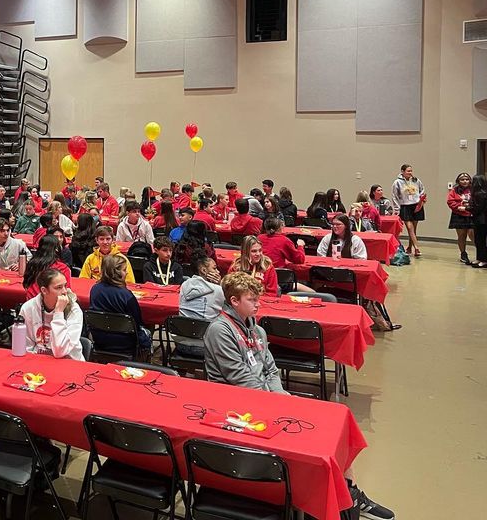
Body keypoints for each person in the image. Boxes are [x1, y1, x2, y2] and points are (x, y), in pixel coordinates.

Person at [204, 272, 395, 520]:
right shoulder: (220, 331)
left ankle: (350, 493)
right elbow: (240, 378)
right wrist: (279, 403)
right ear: (234, 301)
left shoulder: (257, 330)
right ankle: (335, 500)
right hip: (234, 406)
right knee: (312, 441)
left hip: (264, 398)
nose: (258, 304)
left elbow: (270, 369)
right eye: (252, 300)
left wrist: (281, 394)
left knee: (334, 429)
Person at [88, 254, 151, 357]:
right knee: (147, 331)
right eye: (124, 270)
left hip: (100, 340)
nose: (126, 273)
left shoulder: (94, 289)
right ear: (116, 273)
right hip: (125, 343)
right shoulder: (126, 296)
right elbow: (137, 323)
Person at [19, 268, 84, 360]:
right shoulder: (28, 308)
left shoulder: (74, 310)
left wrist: (58, 313)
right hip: (39, 361)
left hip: (69, 362)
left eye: (65, 286)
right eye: (59, 287)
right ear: (44, 290)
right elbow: (26, 347)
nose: (65, 291)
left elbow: (59, 352)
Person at [391, 164, 426, 257]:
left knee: (414, 229)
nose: (410, 173)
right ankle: (417, 248)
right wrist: (397, 208)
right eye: (408, 171)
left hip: (416, 206)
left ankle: (410, 248)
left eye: (411, 171)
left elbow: (422, 190)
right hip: (405, 206)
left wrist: (421, 199)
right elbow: (395, 196)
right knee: (410, 228)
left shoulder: (416, 180)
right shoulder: (397, 182)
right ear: (402, 171)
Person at [22, 235, 71, 300]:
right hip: (52, 305)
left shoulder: (32, 264)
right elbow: (66, 292)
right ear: (56, 249)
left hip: (31, 304)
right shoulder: (62, 268)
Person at [179, 253, 224, 321]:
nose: (218, 272)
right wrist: (220, 285)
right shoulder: (218, 289)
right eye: (214, 268)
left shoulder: (184, 285)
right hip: (207, 329)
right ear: (203, 270)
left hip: (183, 329)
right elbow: (229, 308)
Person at [447, 173, 474, 264]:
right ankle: (463, 254)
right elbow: (450, 201)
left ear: (470, 180)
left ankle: (481, 253)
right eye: (462, 180)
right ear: (458, 181)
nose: (465, 181)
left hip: (471, 215)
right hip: (459, 215)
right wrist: (458, 206)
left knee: (472, 234)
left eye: (466, 179)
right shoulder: (454, 190)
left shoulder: (473, 190)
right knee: (462, 235)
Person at [469, 174, 487, 268]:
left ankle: (483, 259)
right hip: (480, 220)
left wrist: (466, 207)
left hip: (481, 220)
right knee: (479, 240)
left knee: (481, 240)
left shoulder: (480, 194)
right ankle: (480, 258)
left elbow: (477, 208)